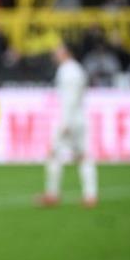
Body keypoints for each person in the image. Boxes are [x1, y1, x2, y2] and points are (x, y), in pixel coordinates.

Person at [38, 42, 98, 208]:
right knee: (83, 156)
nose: (55, 54)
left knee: (54, 154)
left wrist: (65, 123)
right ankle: (90, 195)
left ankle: (52, 194)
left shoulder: (67, 71)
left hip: (69, 120)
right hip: (79, 118)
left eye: (58, 51)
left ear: (66, 52)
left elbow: (69, 99)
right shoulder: (77, 69)